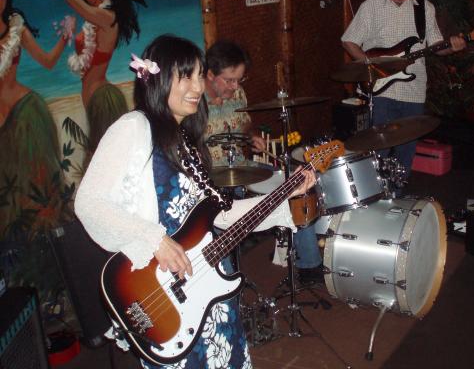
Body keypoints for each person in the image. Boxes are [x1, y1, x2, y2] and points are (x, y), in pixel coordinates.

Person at [74, 34, 316, 368]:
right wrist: (155, 239)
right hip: (164, 290)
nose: (197, 87)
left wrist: (285, 193)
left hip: (209, 283)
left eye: (199, 76)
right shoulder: (133, 127)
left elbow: (222, 217)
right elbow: (88, 203)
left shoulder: (187, 141)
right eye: (185, 76)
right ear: (158, 79)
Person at [204, 41, 324, 285]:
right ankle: (223, 280)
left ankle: (309, 264)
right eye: (229, 80)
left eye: (239, 80)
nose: (235, 86)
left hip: (242, 168)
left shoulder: (237, 93)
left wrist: (253, 136)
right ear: (209, 75)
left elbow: (246, 123)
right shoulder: (192, 102)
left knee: (295, 182)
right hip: (210, 177)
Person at [341, 0, 467, 176]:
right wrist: (370, 66)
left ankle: (399, 190)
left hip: (413, 91)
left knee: (406, 149)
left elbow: (436, 45)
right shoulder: (371, 6)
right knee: (379, 147)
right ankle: (378, 189)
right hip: (382, 90)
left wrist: (452, 47)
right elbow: (349, 40)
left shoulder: (425, 8)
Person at [59, 0, 147, 165]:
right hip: (95, 98)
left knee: (107, 164)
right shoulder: (96, 11)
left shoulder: (105, 17)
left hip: (103, 99)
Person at [0, 0, 72, 238]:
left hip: (27, 113)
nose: (0, 0)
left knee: (40, 190)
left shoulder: (16, 29)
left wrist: (65, 37)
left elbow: (48, 61)